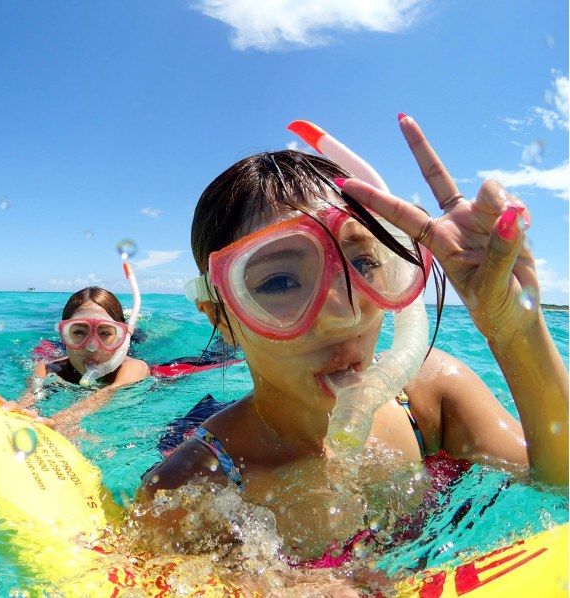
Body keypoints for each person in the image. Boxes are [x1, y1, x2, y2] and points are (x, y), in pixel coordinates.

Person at [138, 114, 568, 566]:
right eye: (281, 282)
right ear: (222, 317)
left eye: (363, 265)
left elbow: (559, 488)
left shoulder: (431, 396)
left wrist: (517, 332)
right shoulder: (186, 496)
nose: (344, 315)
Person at [0, 286, 150, 434]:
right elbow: (29, 399)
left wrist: (56, 421)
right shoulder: (48, 369)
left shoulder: (134, 368)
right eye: (78, 332)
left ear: (122, 337)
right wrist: (14, 415)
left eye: (105, 333)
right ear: (63, 335)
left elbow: (106, 394)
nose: (91, 347)